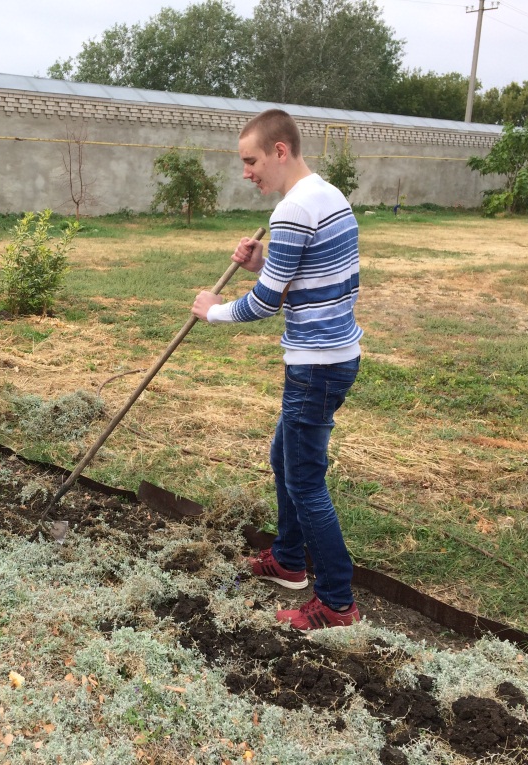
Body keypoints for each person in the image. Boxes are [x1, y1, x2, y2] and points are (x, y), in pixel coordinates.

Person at [192, 109, 363, 630]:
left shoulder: (293, 210)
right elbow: (303, 277)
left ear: (280, 151)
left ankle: (336, 602)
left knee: (305, 480)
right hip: (336, 357)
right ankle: (289, 561)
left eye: (252, 160)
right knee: (283, 456)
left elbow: (267, 303)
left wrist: (212, 310)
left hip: (315, 366)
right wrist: (260, 262)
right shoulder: (329, 197)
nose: (247, 172)